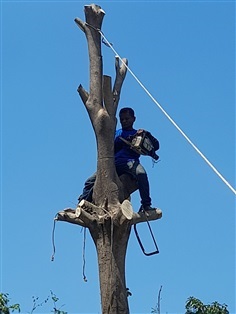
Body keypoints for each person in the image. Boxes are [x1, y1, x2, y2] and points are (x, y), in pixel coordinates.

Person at [78, 107, 159, 212]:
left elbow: (156, 146)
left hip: (130, 162)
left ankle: (146, 205)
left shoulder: (139, 134)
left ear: (134, 119)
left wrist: (147, 134)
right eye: (122, 119)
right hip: (113, 164)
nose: (124, 121)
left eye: (127, 119)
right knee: (90, 181)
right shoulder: (116, 133)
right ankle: (83, 202)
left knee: (141, 174)